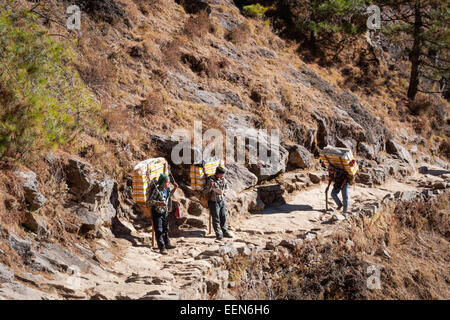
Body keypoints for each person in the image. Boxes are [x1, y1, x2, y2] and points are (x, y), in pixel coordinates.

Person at [148, 173, 178, 255]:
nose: (168, 184)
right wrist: (158, 203)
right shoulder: (156, 190)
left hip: (165, 212)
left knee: (165, 229)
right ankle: (162, 247)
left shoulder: (167, 189)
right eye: (167, 182)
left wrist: (175, 188)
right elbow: (149, 202)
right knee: (159, 230)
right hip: (157, 212)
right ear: (163, 183)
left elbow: (169, 195)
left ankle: (167, 244)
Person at [207, 166, 233, 241]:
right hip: (213, 202)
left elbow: (227, 187)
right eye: (222, 174)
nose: (223, 176)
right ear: (217, 173)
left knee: (223, 217)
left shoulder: (223, 179)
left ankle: (225, 232)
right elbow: (209, 190)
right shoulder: (211, 180)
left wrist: (225, 191)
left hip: (221, 201)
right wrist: (212, 187)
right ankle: (219, 235)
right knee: (216, 219)